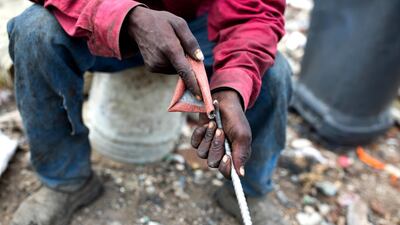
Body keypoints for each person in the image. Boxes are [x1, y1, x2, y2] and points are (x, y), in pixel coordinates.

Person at [7, 0, 292, 224]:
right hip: (104, 16)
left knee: (273, 72)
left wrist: (234, 86)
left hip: (197, 31)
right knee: (34, 32)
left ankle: (249, 190)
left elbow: (256, 12)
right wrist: (125, 17)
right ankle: (65, 181)